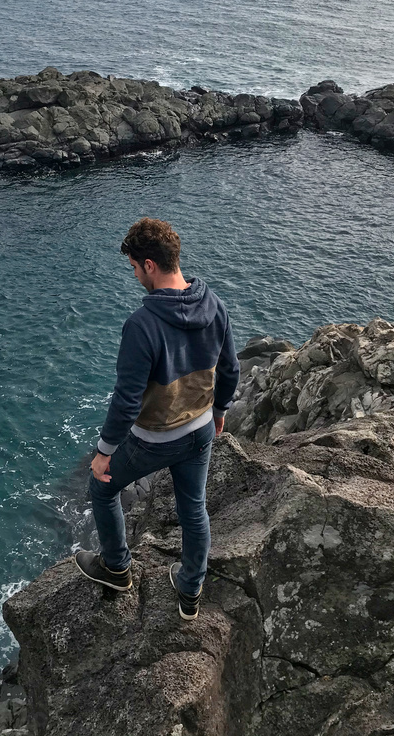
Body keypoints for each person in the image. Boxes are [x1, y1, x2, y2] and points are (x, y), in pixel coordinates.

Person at [74, 217, 240, 620]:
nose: (134, 275)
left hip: (153, 440)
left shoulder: (142, 325)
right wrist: (219, 411)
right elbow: (230, 368)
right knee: (193, 509)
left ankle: (116, 568)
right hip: (200, 429)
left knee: (102, 487)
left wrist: (103, 451)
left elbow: (127, 401)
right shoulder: (213, 303)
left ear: (150, 264)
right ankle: (189, 593)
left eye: (133, 267)